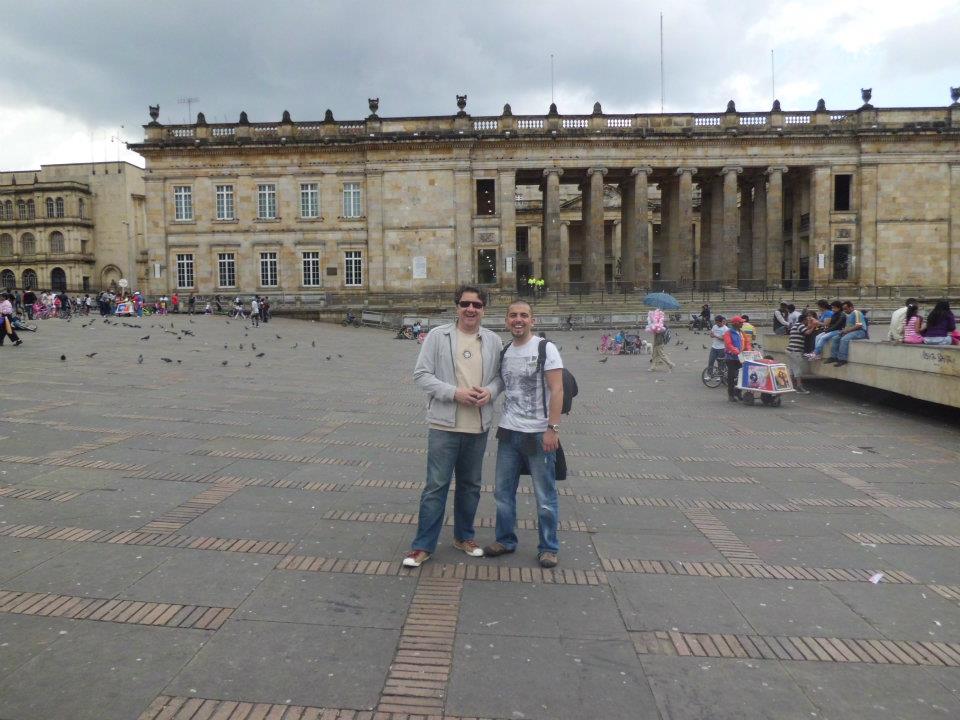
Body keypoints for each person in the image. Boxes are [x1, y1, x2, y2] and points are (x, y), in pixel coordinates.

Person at [403, 286, 504, 568]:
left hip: (478, 425)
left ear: (484, 309)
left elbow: (500, 378)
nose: (470, 309)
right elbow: (421, 375)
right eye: (465, 304)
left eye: (477, 305)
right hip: (444, 424)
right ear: (456, 307)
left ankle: (464, 537)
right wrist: (454, 393)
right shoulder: (438, 336)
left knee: (470, 486)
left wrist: (491, 392)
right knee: (436, 486)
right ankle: (422, 546)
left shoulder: (494, 340)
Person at [483, 300, 563, 569]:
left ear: (532, 320)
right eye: (513, 316)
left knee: (544, 495)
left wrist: (552, 428)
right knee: (503, 493)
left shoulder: (545, 348)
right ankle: (505, 539)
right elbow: (502, 383)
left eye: (524, 316)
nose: (518, 320)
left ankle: (549, 547)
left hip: (539, 434)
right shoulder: (505, 351)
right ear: (507, 320)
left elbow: (557, 389)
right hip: (508, 431)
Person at [824, 301, 867, 367]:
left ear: (851, 307)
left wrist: (846, 331)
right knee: (835, 338)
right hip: (851, 331)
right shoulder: (848, 315)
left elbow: (859, 325)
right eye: (843, 309)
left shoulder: (856, 312)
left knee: (844, 339)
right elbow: (848, 326)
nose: (844, 311)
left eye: (846, 309)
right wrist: (844, 331)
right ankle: (833, 357)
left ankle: (842, 359)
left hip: (860, 332)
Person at [723, 316, 751, 402]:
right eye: (741, 322)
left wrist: (749, 350)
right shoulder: (728, 333)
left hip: (741, 358)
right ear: (736, 324)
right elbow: (728, 345)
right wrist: (736, 351)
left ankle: (738, 392)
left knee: (741, 376)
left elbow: (747, 343)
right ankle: (731, 395)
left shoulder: (742, 333)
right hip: (731, 358)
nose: (742, 323)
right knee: (731, 377)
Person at [786, 311, 811, 393]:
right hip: (795, 350)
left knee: (792, 369)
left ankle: (791, 386)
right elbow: (807, 332)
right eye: (807, 320)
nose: (808, 322)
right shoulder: (800, 325)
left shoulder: (795, 325)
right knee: (797, 369)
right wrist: (814, 326)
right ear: (804, 320)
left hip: (790, 350)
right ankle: (799, 387)